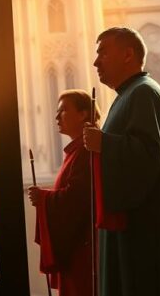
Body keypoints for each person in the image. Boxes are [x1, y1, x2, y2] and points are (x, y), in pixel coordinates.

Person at [83, 27, 160, 296]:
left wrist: (103, 143)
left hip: (145, 238)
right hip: (136, 232)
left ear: (128, 54)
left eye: (103, 53)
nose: (96, 62)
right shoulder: (130, 95)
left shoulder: (143, 93)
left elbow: (148, 155)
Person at [28, 89, 99, 296]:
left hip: (83, 251)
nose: (57, 117)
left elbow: (78, 199)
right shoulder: (77, 150)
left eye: (63, 111)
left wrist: (43, 198)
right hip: (76, 250)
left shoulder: (86, 150)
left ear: (84, 113)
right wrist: (45, 197)